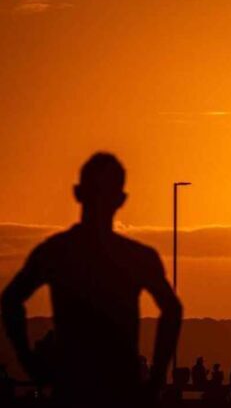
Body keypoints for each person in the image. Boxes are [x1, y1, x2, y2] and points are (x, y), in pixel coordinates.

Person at [0, 153, 182, 408]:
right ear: (121, 200)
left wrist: (29, 360)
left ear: (77, 193)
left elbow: (11, 300)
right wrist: (156, 378)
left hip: (75, 387)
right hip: (118, 388)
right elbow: (172, 309)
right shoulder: (137, 258)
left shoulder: (56, 252)